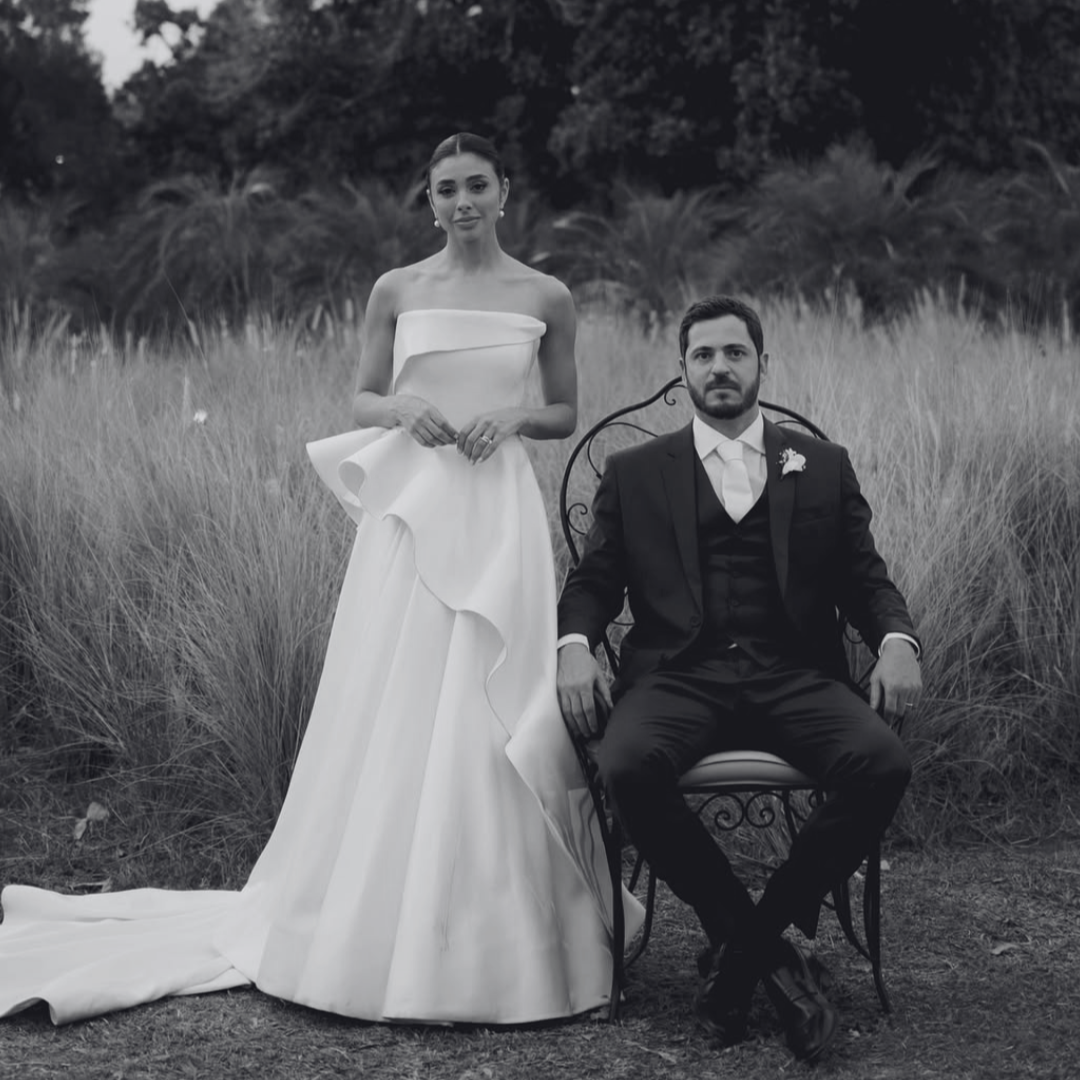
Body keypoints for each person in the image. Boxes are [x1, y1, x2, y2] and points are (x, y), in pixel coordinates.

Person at [0, 133, 637, 1026]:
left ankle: (500, 922)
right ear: (429, 201)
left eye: (476, 185)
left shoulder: (546, 295)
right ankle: (382, 912)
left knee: (492, 698)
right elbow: (362, 399)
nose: (462, 202)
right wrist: (401, 407)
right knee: (402, 693)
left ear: (505, 190)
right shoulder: (396, 289)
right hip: (411, 510)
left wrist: (515, 415)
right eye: (445, 189)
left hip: (497, 514)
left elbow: (565, 409)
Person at [556, 295, 920, 1063]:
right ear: (683, 369)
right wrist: (574, 645)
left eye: (734, 353)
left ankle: (746, 947)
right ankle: (771, 952)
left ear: (761, 364)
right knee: (626, 764)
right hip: (678, 678)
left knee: (882, 762)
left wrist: (896, 640)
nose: (719, 367)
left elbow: (865, 577)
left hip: (795, 676)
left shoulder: (821, 465)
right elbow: (594, 582)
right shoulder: (634, 473)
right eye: (703, 355)